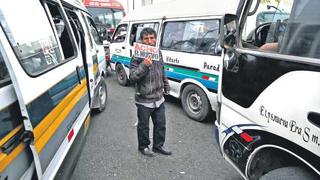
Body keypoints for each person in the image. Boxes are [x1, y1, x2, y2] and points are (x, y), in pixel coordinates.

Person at [129, 27, 171, 157]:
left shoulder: (158, 53)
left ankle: (158, 146)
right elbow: (132, 77)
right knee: (144, 126)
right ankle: (144, 147)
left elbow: (162, 70)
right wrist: (144, 65)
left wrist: (166, 84)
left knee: (160, 124)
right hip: (144, 98)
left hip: (159, 97)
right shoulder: (137, 56)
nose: (149, 41)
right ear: (141, 40)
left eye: (152, 38)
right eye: (146, 38)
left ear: (155, 39)